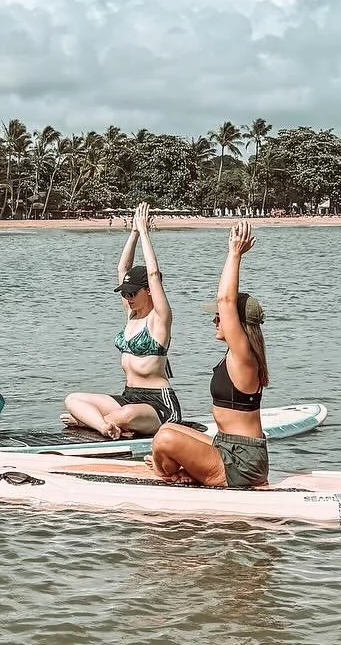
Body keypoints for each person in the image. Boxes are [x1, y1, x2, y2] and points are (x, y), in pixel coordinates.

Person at [149, 220, 270, 490]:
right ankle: (182, 470)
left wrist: (234, 254)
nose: (215, 320)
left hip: (241, 463)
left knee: (164, 441)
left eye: (219, 318)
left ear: (236, 323)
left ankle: (171, 473)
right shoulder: (237, 355)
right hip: (227, 447)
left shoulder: (244, 356)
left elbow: (226, 300)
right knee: (167, 430)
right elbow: (225, 305)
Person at [63, 202, 181, 438]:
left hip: (158, 405)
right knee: (73, 399)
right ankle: (103, 425)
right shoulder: (131, 314)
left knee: (125, 415)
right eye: (124, 294)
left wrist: (146, 233)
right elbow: (122, 267)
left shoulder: (159, 320)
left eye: (132, 293)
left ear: (148, 291)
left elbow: (154, 275)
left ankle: (93, 423)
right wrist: (133, 233)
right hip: (128, 395)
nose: (127, 298)